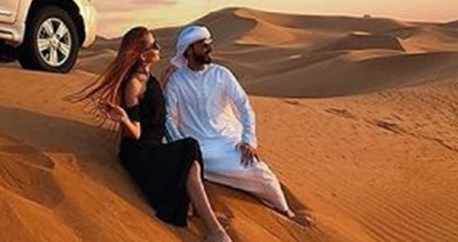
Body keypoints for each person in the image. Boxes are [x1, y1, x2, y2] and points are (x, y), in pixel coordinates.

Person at [70, 26, 232, 242]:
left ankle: (205, 216)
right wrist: (124, 119)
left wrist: (164, 81)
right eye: (153, 45)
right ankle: (213, 229)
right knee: (188, 151)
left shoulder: (148, 76)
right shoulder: (133, 84)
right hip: (141, 152)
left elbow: (153, 103)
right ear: (142, 54)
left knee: (189, 151)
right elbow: (136, 133)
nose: (158, 47)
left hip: (155, 146)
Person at [164, 25, 296, 219]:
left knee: (259, 171)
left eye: (209, 43)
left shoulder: (221, 74)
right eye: (204, 45)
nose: (209, 48)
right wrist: (181, 147)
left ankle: (284, 210)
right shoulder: (176, 81)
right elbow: (168, 117)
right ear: (189, 50)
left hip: (229, 140)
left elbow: (244, 106)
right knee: (192, 169)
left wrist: (248, 140)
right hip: (199, 147)